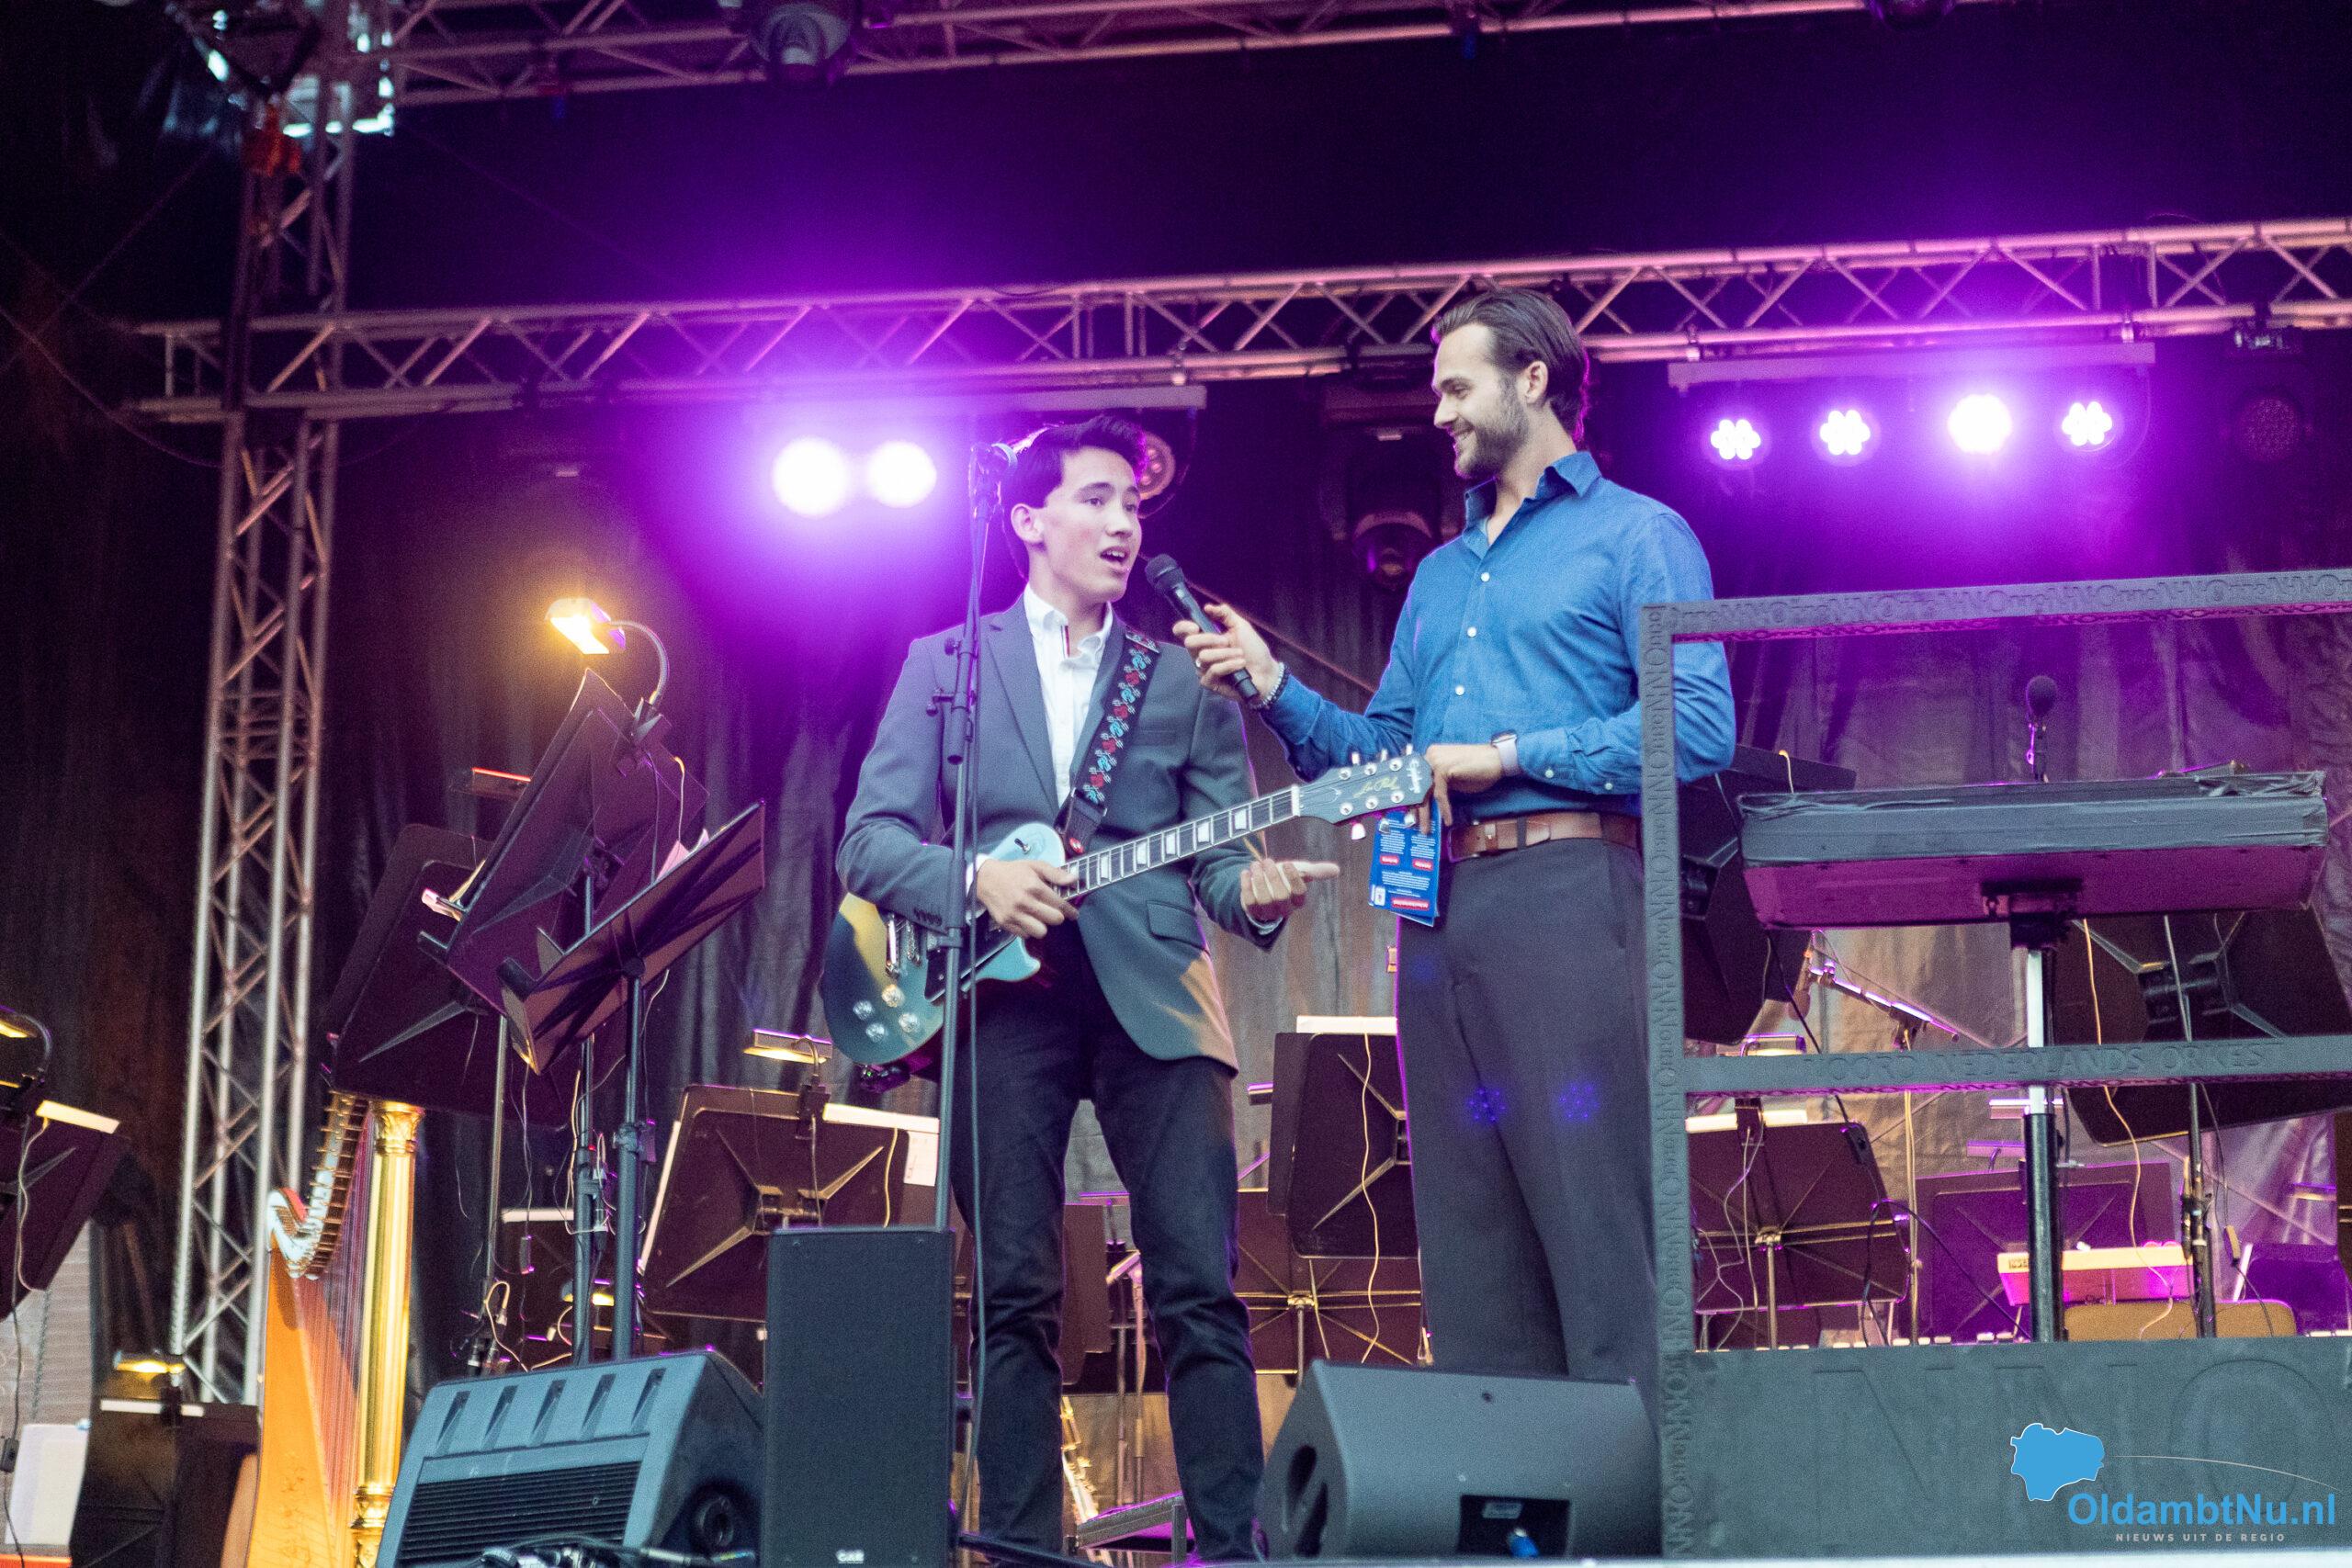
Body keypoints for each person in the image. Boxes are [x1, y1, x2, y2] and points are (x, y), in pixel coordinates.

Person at [1178, 290, 1736, 1411]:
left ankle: (1638, 1491)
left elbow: (1697, 725)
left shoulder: (1637, 535)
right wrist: (1274, 688)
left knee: (1594, 1213)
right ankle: (1517, 1494)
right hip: (1437, 918)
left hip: (1571, 895)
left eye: (1455, 387)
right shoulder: (1438, 576)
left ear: (1533, 380)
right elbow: (1386, 761)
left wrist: (1509, 754)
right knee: (1469, 1239)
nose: (1436, 413)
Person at [838, 414, 1336, 1561]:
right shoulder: (947, 665)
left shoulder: (1184, 677)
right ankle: (1018, 1547)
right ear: (1028, 519)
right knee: (1012, 1292)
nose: (1123, 524)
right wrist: (977, 880)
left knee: (1199, 1289)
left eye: (1134, 507)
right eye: (1097, 499)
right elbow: (867, 842)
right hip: (997, 997)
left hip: (1154, 990)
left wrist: (1258, 893)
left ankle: (1231, 1549)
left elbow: (1220, 860)